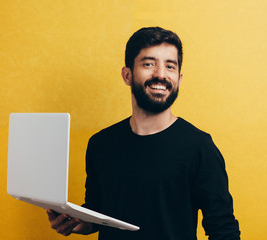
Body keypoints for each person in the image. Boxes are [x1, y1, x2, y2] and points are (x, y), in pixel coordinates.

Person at [47, 27, 240, 240]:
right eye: (148, 64)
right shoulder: (101, 144)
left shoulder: (199, 147)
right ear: (127, 75)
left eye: (170, 66)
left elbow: (223, 230)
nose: (160, 74)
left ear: (179, 79)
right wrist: (74, 222)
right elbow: (98, 214)